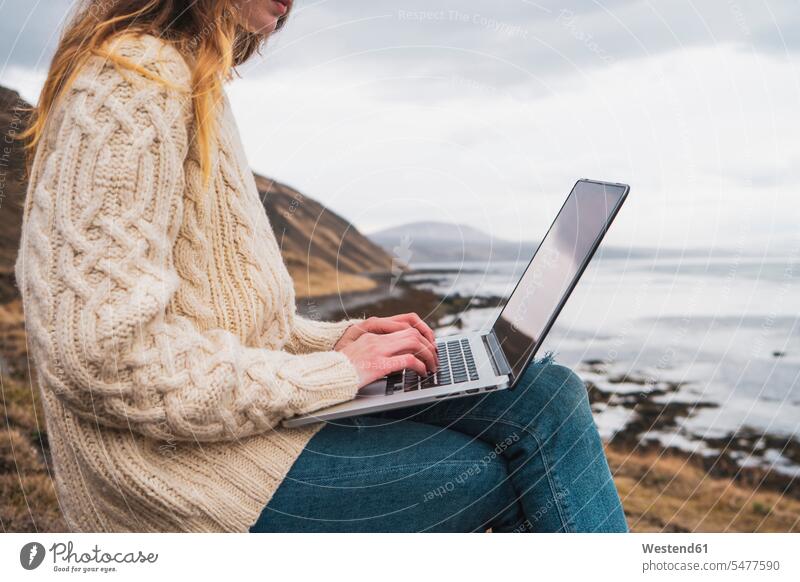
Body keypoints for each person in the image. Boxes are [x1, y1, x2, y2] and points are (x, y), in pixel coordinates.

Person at [16, 0, 628, 533]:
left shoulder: (191, 80)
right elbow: (103, 355)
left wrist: (340, 342)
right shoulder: (132, 81)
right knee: (494, 472)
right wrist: (332, 374)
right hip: (178, 479)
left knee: (547, 393)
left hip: (227, 431)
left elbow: (222, 319)